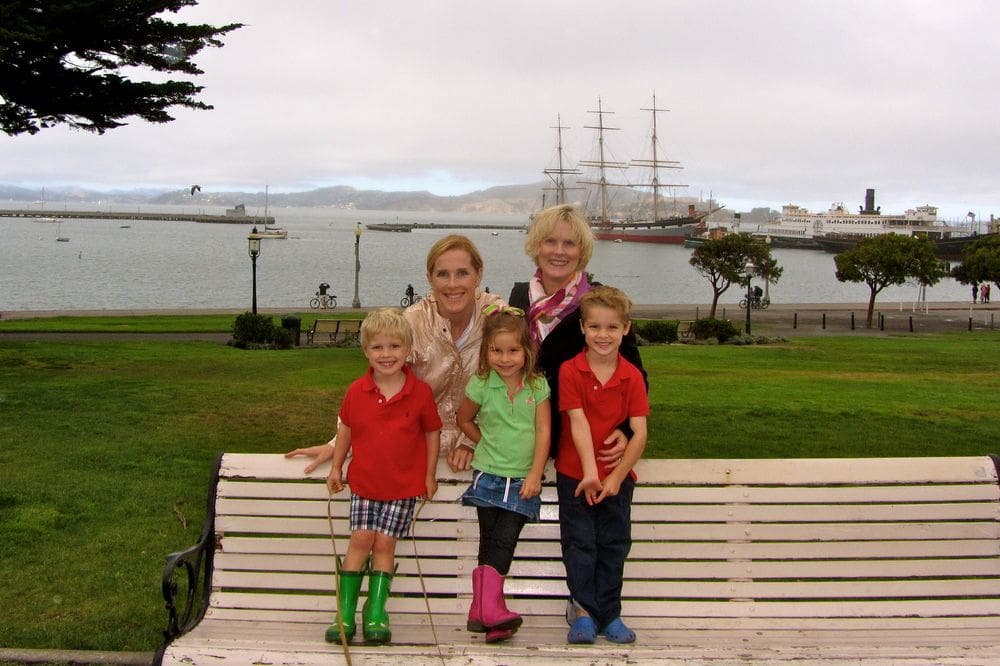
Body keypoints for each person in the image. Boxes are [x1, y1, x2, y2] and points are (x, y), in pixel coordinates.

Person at [507, 203, 646, 623]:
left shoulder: (598, 304)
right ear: (536, 246)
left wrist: (624, 427)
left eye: (569, 243)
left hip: (579, 447)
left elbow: (634, 373)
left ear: (582, 251)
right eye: (550, 240)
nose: (559, 251)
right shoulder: (518, 299)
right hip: (524, 435)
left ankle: (590, 604)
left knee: (599, 535)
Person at [287, 234, 502, 473]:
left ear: (479, 274)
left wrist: (470, 441)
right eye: (442, 274)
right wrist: (338, 443)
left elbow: (509, 390)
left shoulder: (496, 320)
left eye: (462, 273)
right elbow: (378, 388)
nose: (452, 284)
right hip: (413, 450)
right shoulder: (413, 323)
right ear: (429, 278)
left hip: (480, 454)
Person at [323, 309, 441, 645]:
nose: (386, 355)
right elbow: (346, 429)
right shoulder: (356, 391)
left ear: (407, 349)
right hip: (364, 484)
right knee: (361, 539)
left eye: (394, 346)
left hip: (403, 487)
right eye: (377, 348)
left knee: (385, 544)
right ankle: (344, 611)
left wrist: (429, 475)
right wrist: (335, 467)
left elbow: (432, 434)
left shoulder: (419, 393)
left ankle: (375, 611)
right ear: (366, 351)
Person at [556, 286, 648, 646]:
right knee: (579, 543)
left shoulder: (631, 376)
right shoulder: (571, 371)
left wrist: (615, 477)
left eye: (611, 328)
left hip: (617, 479)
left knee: (614, 543)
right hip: (576, 475)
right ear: (582, 328)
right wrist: (591, 473)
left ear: (625, 328)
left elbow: (639, 434)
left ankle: (610, 613)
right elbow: (577, 423)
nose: (603, 335)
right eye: (595, 327)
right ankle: (583, 612)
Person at [455, 304, 551, 644]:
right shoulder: (481, 384)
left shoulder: (537, 386)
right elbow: (463, 419)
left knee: (505, 539)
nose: (505, 358)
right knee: (489, 542)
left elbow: (544, 432)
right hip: (488, 475)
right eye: (496, 351)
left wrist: (536, 474)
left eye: (513, 350)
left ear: (527, 351)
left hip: (522, 478)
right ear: (486, 352)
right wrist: (486, 442)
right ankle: (490, 617)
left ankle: (483, 610)